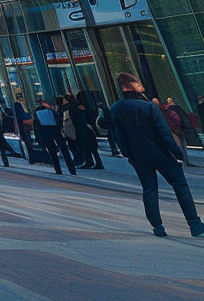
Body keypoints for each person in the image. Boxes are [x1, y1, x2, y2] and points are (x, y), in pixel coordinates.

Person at [111, 72, 204, 238]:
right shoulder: (149, 107)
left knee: (149, 189)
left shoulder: (116, 108)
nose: (141, 86)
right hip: (160, 153)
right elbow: (164, 134)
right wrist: (178, 154)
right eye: (138, 83)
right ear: (133, 86)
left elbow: (119, 135)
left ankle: (158, 227)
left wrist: (129, 155)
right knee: (180, 184)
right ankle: (195, 225)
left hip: (138, 155)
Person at [32, 96, 76, 175]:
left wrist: (38, 138)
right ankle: (72, 169)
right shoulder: (50, 110)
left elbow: (36, 126)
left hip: (45, 133)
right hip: (55, 130)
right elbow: (59, 120)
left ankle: (58, 170)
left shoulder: (36, 112)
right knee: (64, 150)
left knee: (52, 152)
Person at [70, 93, 103, 169]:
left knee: (85, 147)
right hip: (89, 129)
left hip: (82, 130)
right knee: (93, 148)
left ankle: (89, 162)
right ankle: (97, 163)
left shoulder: (77, 109)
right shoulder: (89, 107)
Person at [162, 97, 194, 166]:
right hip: (177, 128)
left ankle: (183, 160)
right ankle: (185, 160)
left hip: (173, 128)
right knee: (182, 144)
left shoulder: (167, 110)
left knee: (179, 144)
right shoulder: (174, 109)